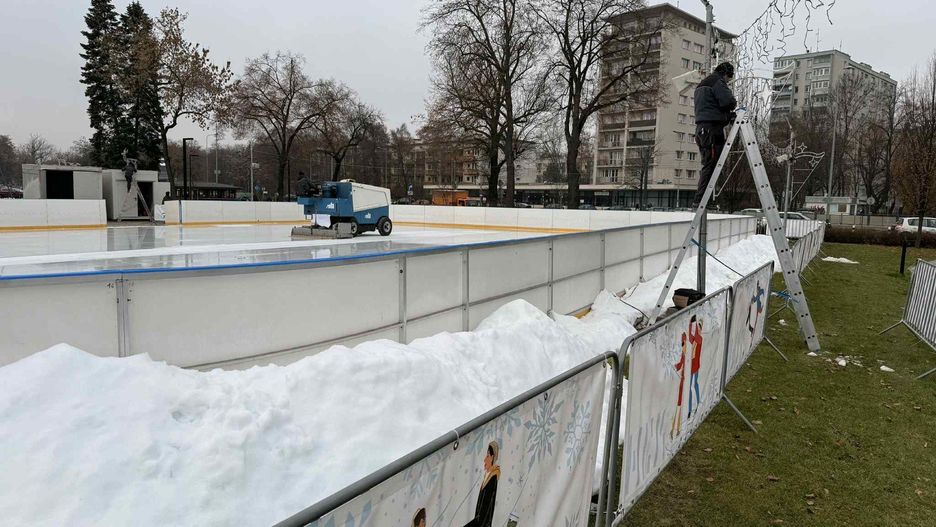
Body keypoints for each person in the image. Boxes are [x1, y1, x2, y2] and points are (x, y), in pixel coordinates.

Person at [693, 62, 737, 206]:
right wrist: (730, 112)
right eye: (729, 80)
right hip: (712, 130)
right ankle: (701, 200)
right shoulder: (717, 82)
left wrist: (726, 117)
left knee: (709, 164)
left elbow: (711, 108)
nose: (728, 82)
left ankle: (704, 199)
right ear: (726, 74)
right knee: (711, 165)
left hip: (702, 130)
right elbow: (728, 102)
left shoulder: (701, 85)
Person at [463, 441, 500, 527]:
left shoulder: (492, 478)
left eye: (487, 456)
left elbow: (485, 511)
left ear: (492, 457)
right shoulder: (488, 476)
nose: (484, 460)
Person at [671, 332, 688, 439]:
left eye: (683, 344)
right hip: (681, 382)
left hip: (681, 383)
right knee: (678, 407)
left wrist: (671, 367)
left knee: (678, 406)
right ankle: (675, 427)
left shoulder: (683, 355)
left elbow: (678, 366)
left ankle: (676, 428)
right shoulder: (682, 355)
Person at [687, 316, 704, 418]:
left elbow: (694, 335)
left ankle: (697, 404)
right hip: (692, 366)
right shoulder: (694, 338)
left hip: (695, 365)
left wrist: (694, 321)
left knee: (694, 385)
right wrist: (690, 323)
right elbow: (690, 335)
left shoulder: (699, 339)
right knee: (690, 387)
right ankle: (690, 409)